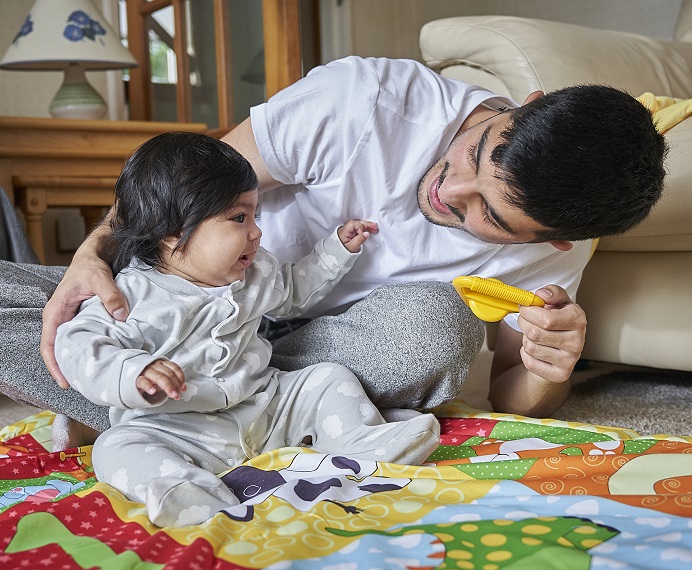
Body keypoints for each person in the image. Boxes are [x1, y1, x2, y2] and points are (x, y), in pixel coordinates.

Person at [0, 56, 666, 447]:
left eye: (484, 213)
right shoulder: (369, 99)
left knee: (436, 331)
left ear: (552, 238)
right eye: (477, 152)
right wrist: (92, 254)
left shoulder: (557, 250)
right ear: (527, 105)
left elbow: (512, 398)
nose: (446, 190)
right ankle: (212, 406)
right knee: (47, 306)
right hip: (190, 311)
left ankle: (181, 406)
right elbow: (177, 190)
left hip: (312, 358)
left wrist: (552, 370)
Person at [53, 132, 439, 528]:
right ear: (172, 231)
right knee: (115, 446)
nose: (256, 232)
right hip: (177, 427)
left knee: (326, 378)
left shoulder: (255, 271)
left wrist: (335, 251)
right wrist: (131, 370)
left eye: (256, 216)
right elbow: (77, 344)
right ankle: (185, 490)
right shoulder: (130, 293)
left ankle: (359, 442)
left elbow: (293, 292)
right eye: (239, 218)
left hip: (263, 407)